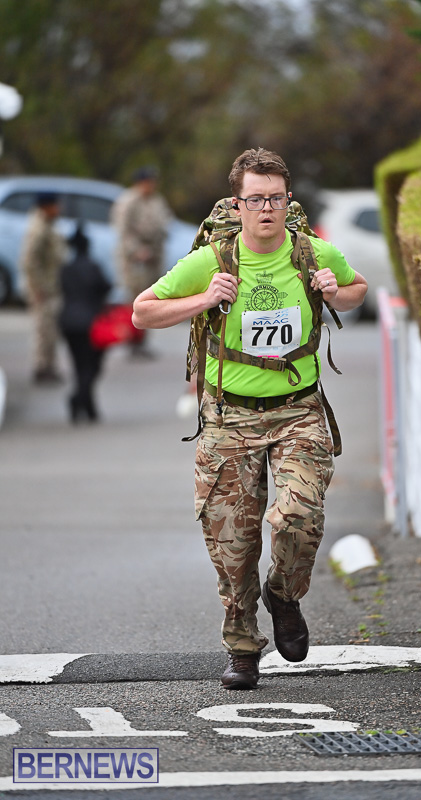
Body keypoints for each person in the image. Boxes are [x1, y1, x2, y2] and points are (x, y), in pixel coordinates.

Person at [132, 148, 368, 690]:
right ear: (237, 206)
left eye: (277, 199)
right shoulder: (212, 261)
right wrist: (202, 300)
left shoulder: (312, 252)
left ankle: (284, 596)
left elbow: (357, 292)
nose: (267, 208)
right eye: (256, 199)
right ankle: (242, 647)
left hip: (298, 410)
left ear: (288, 201)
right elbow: (142, 311)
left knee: (297, 518)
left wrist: (338, 291)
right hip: (228, 419)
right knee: (232, 545)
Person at [111, 165, 172, 357]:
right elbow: (122, 231)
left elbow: (165, 224)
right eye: (148, 182)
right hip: (134, 260)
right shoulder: (128, 201)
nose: (151, 186)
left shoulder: (156, 201)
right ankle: (132, 341)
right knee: (135, 300)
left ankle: (142, 341)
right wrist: (137, 250)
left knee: (151, 300)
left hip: (153, 256)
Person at [59, 224, 112, 423]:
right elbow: (105, 287)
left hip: (68, 322)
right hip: (91, 323)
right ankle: (77, 400)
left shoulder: (66, 269)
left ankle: (88, 408)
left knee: (79, 366)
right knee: (92, 367)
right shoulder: (93, 267)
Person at [20, 191, 66, 383]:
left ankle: (49, 365)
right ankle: (42, 367)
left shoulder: (47, 225)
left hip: (50, 286)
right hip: (43, 289)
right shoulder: (39, 228)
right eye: (55, 205)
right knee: (43, 329)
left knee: (50, 329)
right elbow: (29, 261)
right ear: (45, 206)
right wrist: (37, 288)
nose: (58, 209)